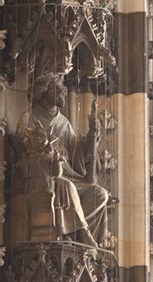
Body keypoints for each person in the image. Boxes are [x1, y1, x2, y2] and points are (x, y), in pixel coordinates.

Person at [15, 69, 108, 246]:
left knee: (99, 194)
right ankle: (82, 234)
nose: (63, 91)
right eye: (57, 88)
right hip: (45, 176)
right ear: (43, 91)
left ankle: (73, 233)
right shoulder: (29, 117)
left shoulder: (63, 122)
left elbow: (77, 152)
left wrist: (91, 136)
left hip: (69, 174)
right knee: (66, 186)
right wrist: (41, 149)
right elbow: (22, 145)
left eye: (63, 88)